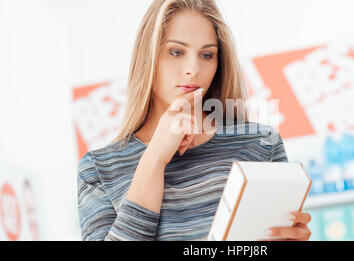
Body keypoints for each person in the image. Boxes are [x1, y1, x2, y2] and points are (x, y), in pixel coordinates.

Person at [77, 0, 312, 241]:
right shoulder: (98, 169)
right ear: (148, 56)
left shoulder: (261, 143)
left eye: (207, 55)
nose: (193, 69)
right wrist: (154, 159)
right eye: (176, 52)